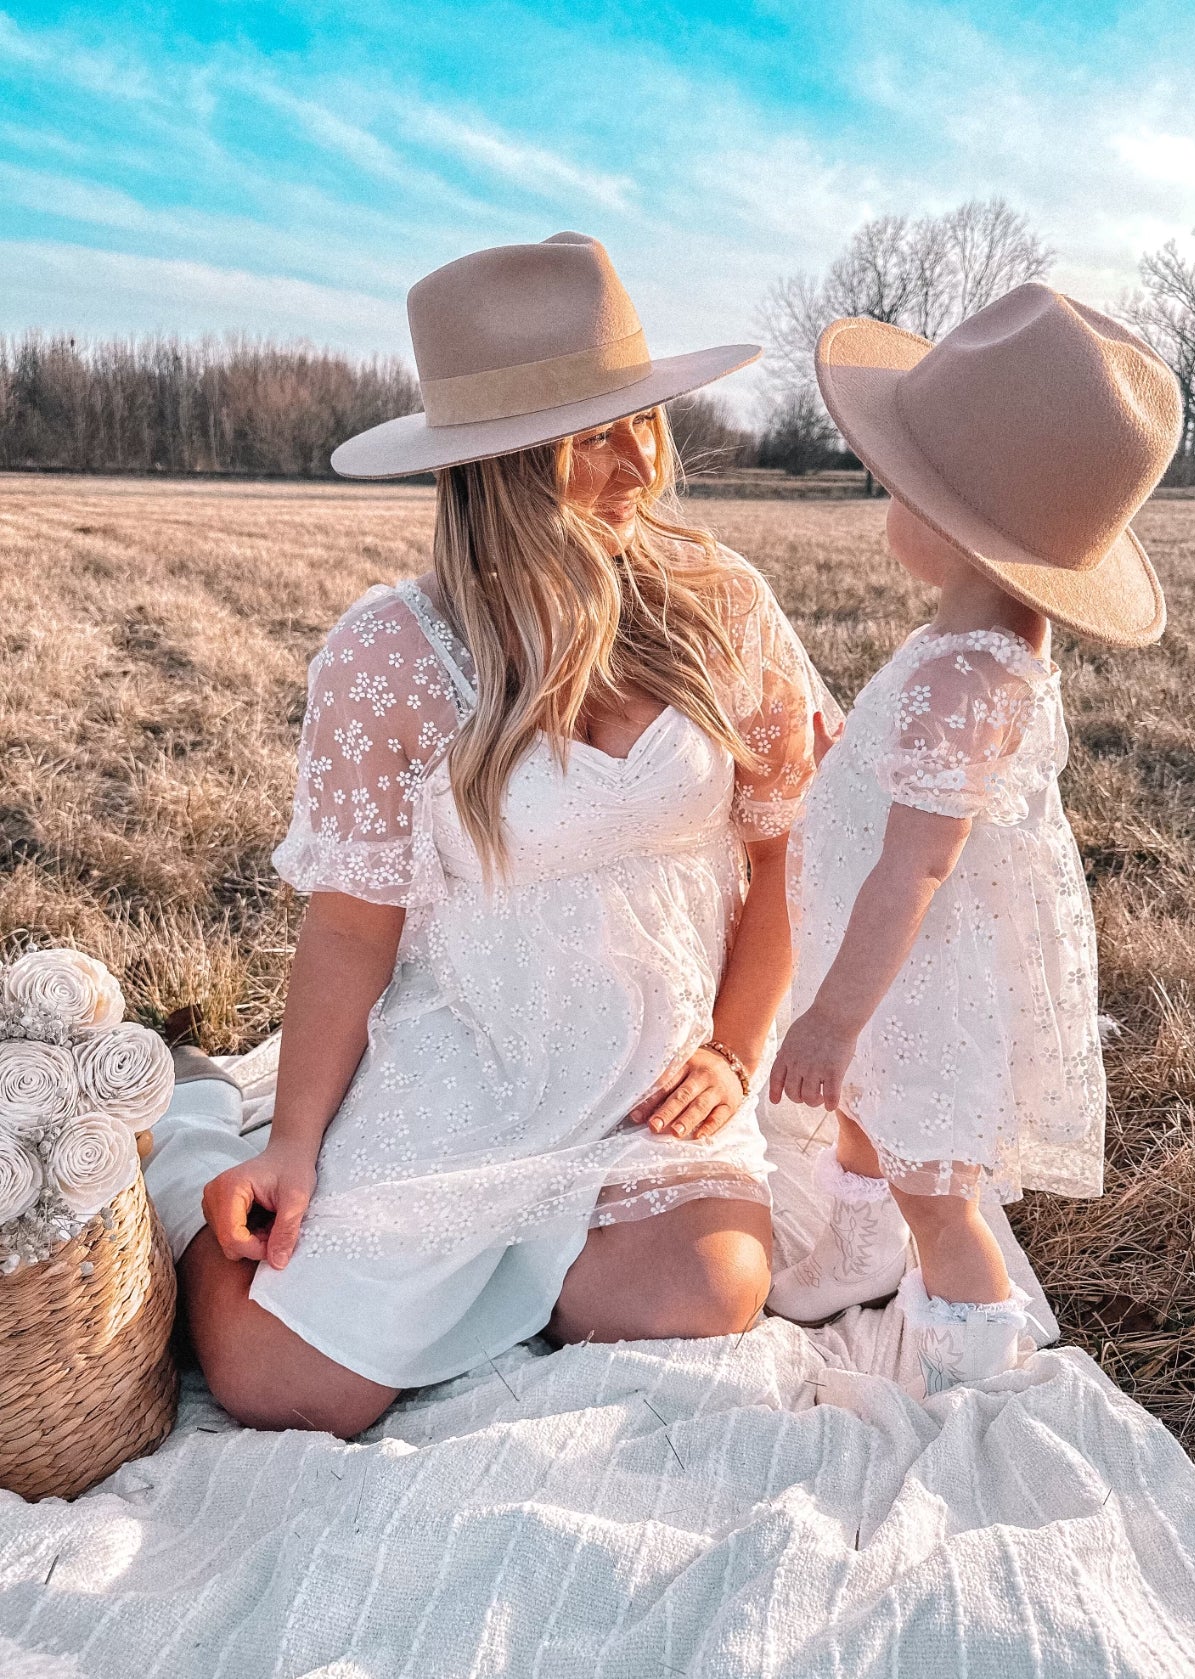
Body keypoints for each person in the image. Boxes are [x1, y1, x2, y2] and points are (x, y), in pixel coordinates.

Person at [150, 231, 842, 1436]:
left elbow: (790, 850)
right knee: (282, 1384)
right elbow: (354, 925)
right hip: (474, 1056)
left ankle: (526, 1255)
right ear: (497, 465)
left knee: (707, 1287)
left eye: (647, 421)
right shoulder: (391, 655)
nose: (640, 463)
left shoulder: (722, 605)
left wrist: (734, 1050)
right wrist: (301, 1146)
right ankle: (209, 1141)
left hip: (659, 1071)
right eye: (593, 438)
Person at [767, 283, 1181, 1395]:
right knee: (874, 1128)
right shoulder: (979, 637)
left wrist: (833, 1017)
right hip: (908, 965)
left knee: (936, 1188)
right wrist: (850, 752)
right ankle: (858, 1252)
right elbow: (926, 789)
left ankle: (976, 1362)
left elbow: (920, 863)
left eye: (899, 485)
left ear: (962, 527)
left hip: (916, 977)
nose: (884, 501)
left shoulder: (967, 669)